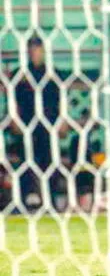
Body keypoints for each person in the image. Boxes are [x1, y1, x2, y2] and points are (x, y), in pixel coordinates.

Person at [11, 36, 67, 211]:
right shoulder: (19, 74)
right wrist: (14, 119)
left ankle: (50, 200)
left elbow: (61, 100)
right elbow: (14, 100)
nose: (34, 53)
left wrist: (63, 121)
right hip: (27, 124)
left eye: (37, 49)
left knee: (50, 161)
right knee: (25, 161)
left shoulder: (53, 74)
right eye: (31, 49)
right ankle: (23, 200)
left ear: (43, 51)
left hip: (48, 124)